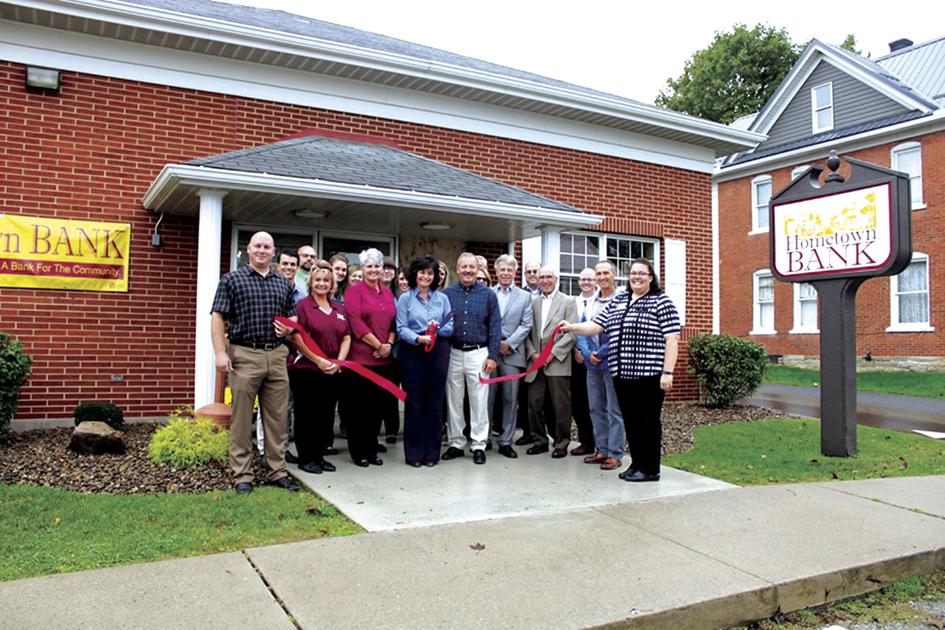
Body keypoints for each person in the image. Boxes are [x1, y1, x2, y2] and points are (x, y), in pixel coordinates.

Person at [560, 258, 680, 482]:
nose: (636, 277)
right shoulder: (621, 300)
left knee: (649, 423)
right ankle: (637, 465)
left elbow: (671, 339)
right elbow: (596, 325)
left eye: (641, 273)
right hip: (622, 374)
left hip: (650, 375)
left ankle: (651, 469)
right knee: (632, 422)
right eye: (633, 273)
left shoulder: (660, 301)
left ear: (650, 277)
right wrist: (571, 327)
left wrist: (668, 372)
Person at [211, 231, 301, 494]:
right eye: (257, 246)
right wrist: (219, 352)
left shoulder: (284, 284)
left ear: (273, 253)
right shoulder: (231, 280)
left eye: (267, 247)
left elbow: (292, 318)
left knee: (277, 418)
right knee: (241, 419)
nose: (262, 251)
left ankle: (277, 471)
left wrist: (289, 329)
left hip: (276, 355)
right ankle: (242, 475)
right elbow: (218, 317)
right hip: (244, 354)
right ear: (248, 250)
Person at [286, 265, 350, 475]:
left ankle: (320, 456)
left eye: (326, 280)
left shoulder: (339, 308)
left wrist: (339, 362)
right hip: (307, 370)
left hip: (332, 372)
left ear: (332, 285)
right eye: (318, 280)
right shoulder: (303, 306)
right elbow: (296, 337)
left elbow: (347, 337)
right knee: (307, 416)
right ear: (311, 283)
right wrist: (318, 360)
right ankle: (307, 458)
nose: (322, 284)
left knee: (326, 416)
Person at [442, 252, 501, 465]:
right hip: (454, 352)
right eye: (464, 267)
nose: (468, 270)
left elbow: (495, 327)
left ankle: (478, 444)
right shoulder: (447, 294)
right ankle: (456, 443)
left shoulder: (488, 295)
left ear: (478, 270)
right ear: (457, 269)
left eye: (471, 267)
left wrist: (493, 356)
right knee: (454, 400)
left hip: (479, 353)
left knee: (479, 400)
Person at [396, 255, 453, 467]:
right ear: (415, 274)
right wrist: (419, 337)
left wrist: (436, 328)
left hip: (438, 351)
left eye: (430, 273)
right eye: (422, 272)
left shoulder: (442, 299)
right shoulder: (405, 299)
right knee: (415, 403)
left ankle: (431, 454)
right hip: (413, 351)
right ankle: (414, 454)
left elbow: (450, 325)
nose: (426, 276)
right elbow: (401, 327)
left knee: (435, 403)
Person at [342, 248, 397, 467]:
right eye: (369, 266)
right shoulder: (354, 292)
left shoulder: (386, 292)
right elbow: (356, 323)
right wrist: (377, 344)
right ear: (362, 269)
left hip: (383, 360)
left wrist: (389, 345)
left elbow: (394, 322)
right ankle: (359, 451)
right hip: (361, 360)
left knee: (376, 408)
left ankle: (372, 449)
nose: (374, 270)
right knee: (359, 409)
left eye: (377, 266)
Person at [577, 261, 625, 471]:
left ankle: (615, 454)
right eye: (599, 274)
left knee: (614, 410)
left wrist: (601, 353)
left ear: (614, 276)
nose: (602, 277)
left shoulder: (622, 300)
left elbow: (618, 333)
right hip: (592, 365)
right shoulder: (591, 303)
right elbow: (582, 329)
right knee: (596, 408)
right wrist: (589, 354)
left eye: (606, 273)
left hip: (612, 362)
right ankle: (602, 450)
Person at [524, 266, 576, 458]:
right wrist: (532, 353)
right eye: (542, 277)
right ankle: (539, 441)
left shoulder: (568, 302)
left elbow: (571, 333)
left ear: (556, 278)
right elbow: (527, 331)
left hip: (557, 362)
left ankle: (561, 442)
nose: (545, 280)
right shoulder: (533, 302)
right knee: (533, 403)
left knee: (560, 406)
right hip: (535, 362)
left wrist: (551, 355)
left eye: (549, 277)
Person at [486, 254, 532, 458]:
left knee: (510, 398)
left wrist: (509, 343)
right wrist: (496, 345)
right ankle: (484, 438)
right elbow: (483, 322)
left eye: (509, 270)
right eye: (502, 269)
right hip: (490, 354)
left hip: (513, 354)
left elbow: (526, 324)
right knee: (487, 398)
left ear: (515, 272)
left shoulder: (524, 296)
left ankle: (505, 440)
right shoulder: (487, 293)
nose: (505, 273)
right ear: (497, 271)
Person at [570, 267, 597, 456]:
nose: (586, 282)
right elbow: (569, 330)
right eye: (583, 279)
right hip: (578, 360)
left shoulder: (601, 301)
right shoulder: (573, 303)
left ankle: (601, 444)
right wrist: (575, 350)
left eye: (589, 279)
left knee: (596, 403)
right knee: (579, 403)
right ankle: (585, 442)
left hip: (598, 360)